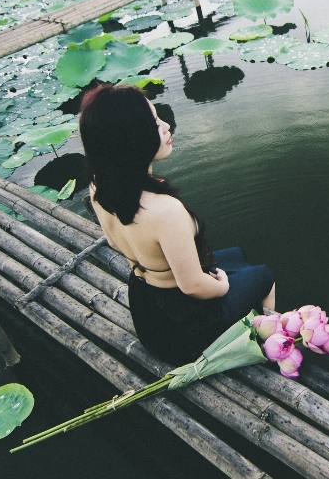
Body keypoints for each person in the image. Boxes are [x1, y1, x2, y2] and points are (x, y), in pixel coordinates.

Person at [79, 84, 275, 364]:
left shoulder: (99, 185)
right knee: (264, 276)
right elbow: (192, 286)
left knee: (237, 255)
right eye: (155, 122)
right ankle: (265, 344)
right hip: (182, 328)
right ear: (132, 139)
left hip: (148, 309)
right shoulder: (164, 211)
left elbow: (112, 241)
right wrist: (222, 286)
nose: (167, 126)